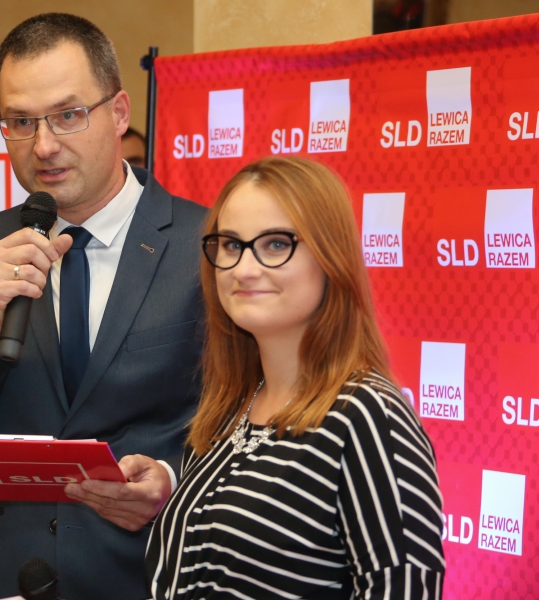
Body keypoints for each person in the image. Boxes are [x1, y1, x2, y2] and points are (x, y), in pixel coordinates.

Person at [0, 13, 207, 600]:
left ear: (119, 112)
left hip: (154, 573)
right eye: (20, 122)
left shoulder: (204, 242)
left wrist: (173, 476)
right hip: (16, 576)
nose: (43, 146)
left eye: (68, 115)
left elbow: (254, 420)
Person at [145, 157, 445, 599]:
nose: (244, 269)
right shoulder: (229, 407)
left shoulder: (367, 416)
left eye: (275, 244)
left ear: (330, 257)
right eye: (231, 244)